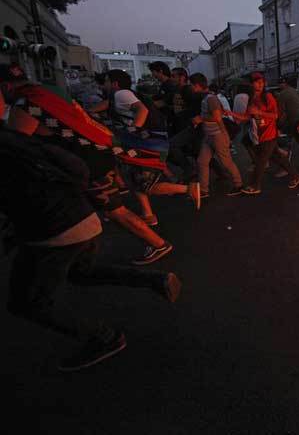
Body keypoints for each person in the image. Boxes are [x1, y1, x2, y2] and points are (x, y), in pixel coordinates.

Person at [0, 128, 182, 371]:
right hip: (81, 215)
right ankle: (154, 279)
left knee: (27, 302)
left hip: (53, 230)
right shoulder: (13, 136)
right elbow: (77, 167)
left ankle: (104, 338)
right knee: (80, 272)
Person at [6, 76, 175, 265]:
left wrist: (133, 131)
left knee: (114, 210)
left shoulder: (25, 104)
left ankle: (157, 243)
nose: (103, 86)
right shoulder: (47, 93)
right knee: (98, 207)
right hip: (94, 152)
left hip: (86, 160)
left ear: (6, 85)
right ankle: (83, 253)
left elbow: (16, 145)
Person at [91, 70, 200, 226]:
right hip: (147, 141)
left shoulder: (121, 94)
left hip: (145, 143)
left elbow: (142, 110)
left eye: (107, 81)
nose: (104, 85)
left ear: (114, 83)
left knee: (147, 185)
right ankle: (148, 214)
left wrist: (134, 131)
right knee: (135, 179)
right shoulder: (117, 97)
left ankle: (187, 189)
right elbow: (104, 105)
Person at [228, 72, 299, 195]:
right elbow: (247, 116)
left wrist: (260, 112)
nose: (260, 84)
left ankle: (255, 185)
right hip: (259, 134)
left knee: (261, 161)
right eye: (257, 82)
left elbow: (275, 115)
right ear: (251, 84)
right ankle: (296, 176)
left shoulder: (268, 97)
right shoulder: (252, 99)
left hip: (269, 134)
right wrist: (231, 114)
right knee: (277, 157)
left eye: (262, 82)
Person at [189, 73, 243, 197]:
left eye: (191, 85)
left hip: (217, 135)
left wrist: (200, 119)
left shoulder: (211, 98)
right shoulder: (206, 98)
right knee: (202, 161)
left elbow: (217, 117)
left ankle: (239, 184)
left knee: (226, 162)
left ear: (197, 85)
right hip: (209, 136)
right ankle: (203, 190)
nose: (191, 88)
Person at [275, 76, 299, 161]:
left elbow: (281, 111)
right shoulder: (295, 91)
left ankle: (287, 160)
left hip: (295, 119)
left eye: (280, 84)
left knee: (290, 140)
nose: (280, 86)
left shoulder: (282, 94)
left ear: (283, 84)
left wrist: (279, 124)